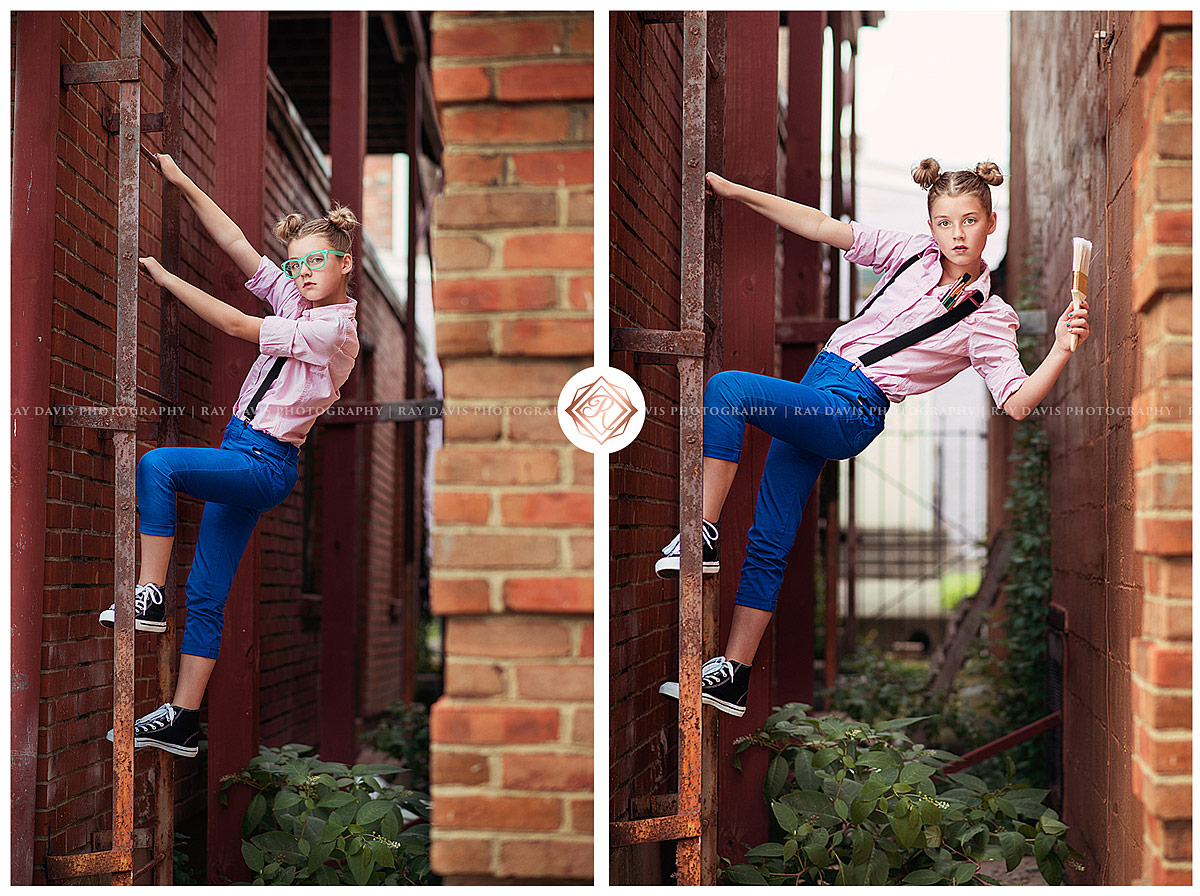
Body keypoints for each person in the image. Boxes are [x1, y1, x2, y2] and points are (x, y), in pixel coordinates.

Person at [658, 158, 1089, 718]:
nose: (956, 235)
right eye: (943, 222)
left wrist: (1058, 349)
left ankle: (700, 537)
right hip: (819, 383)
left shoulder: (989, 317)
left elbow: (1016, 402)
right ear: (930, 223)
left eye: (968, 221)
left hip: (851, 409)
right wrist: (736, 190)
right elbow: (820, 225)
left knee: (728, 389)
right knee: (770, 537)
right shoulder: (911, 252)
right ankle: (733, 676)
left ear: (990, 221)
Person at [99, 153, 360, 756]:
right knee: (209, 594)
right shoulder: (298, 303)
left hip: (265, 463)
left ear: (345, 264)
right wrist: (182, 180)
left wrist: (164, 279)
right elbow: (238, 242)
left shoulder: (334, 330)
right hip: (241, 452)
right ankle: (183, 720)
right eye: (296, 266)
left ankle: (147, 596)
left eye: (316, 262)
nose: (302, 274)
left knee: (158, 465)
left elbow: (242, 328)